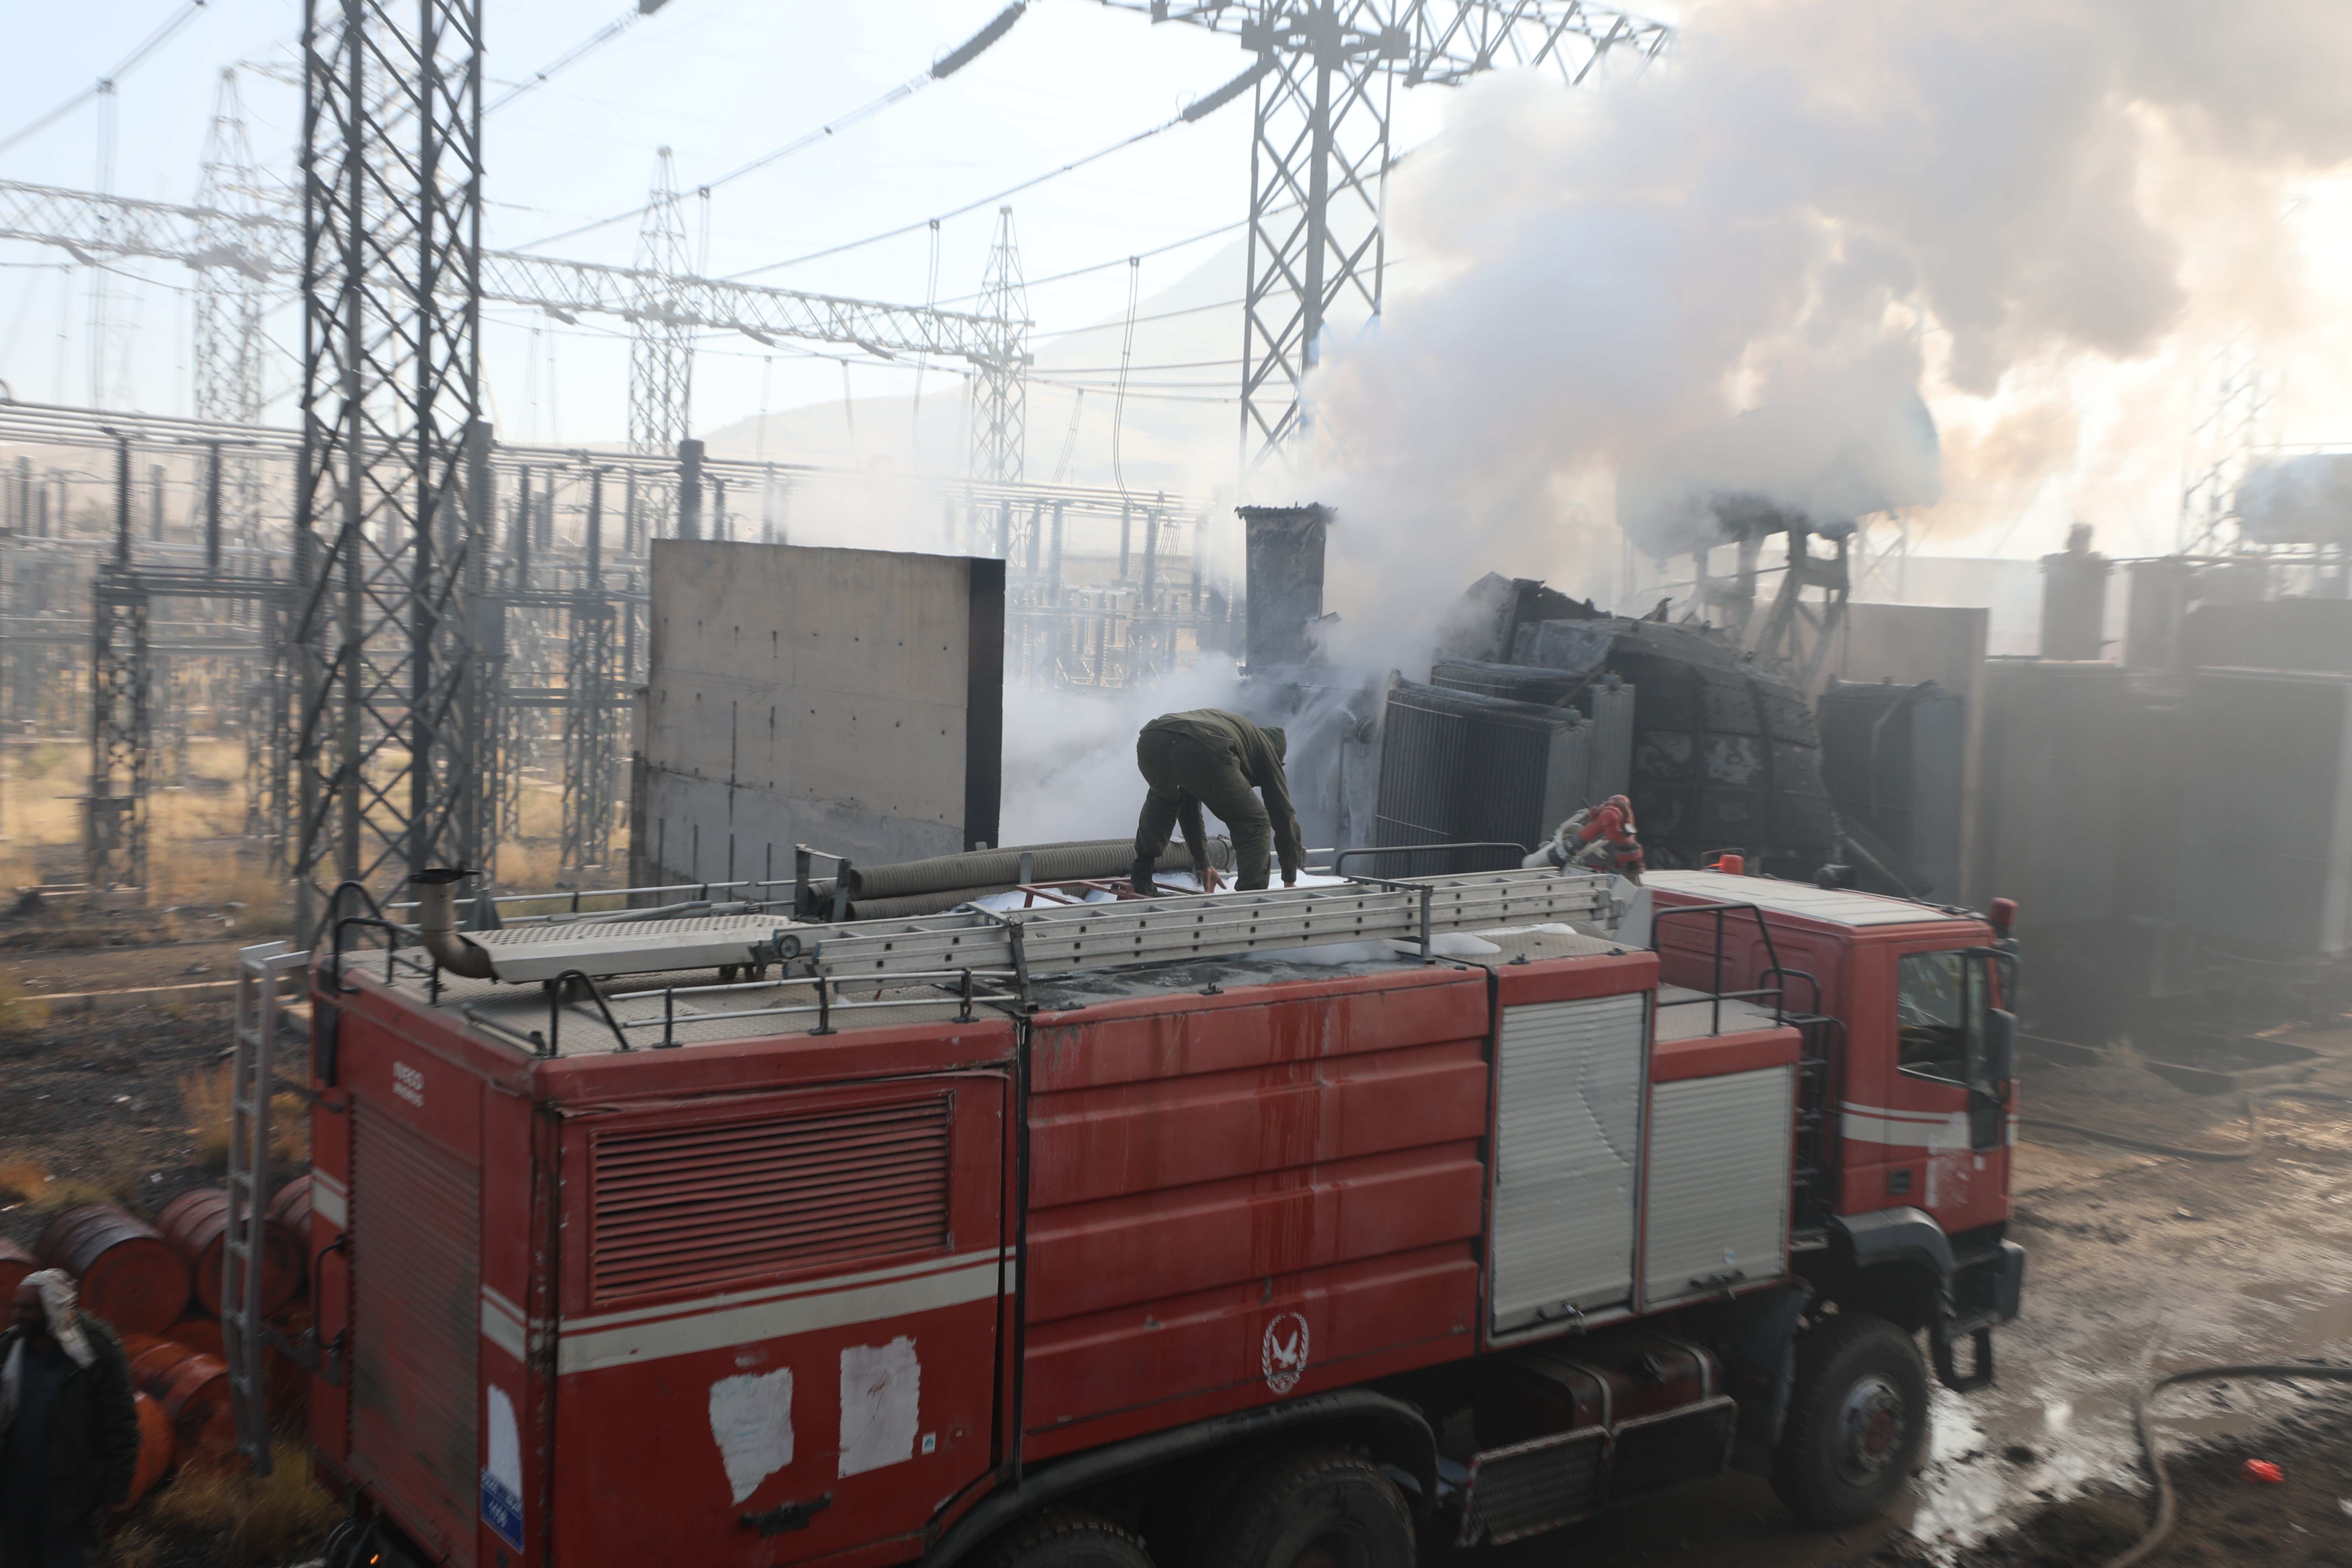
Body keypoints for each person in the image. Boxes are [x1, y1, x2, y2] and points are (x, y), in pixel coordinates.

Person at [0, 1270, 139, 1568]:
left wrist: (117, 1492)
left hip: (71, 1500)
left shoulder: (97, 1351)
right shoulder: (9, 1347)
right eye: (15, 1306)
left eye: (26, 1308)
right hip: (14, 1497)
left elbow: (122, 1425)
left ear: (52, 1310)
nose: (16, 1315)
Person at [1132, 708, 1305, 894]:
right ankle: (1250, 901)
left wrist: (1204, 864)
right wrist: (1290, 878)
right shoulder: (1267, 752)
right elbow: (1284, 816)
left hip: (1152, 739)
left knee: (1163, 801)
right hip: (1203, 744)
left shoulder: (1242, 734)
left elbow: (1188, 811)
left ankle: (1142, 877)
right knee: (1256, 823)